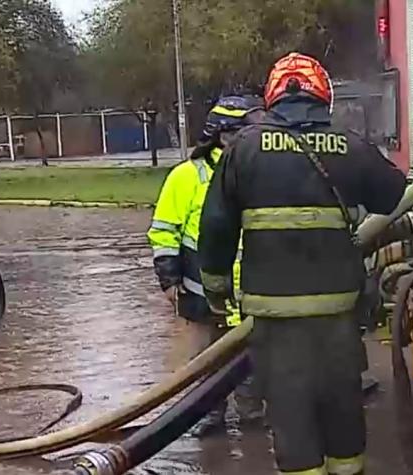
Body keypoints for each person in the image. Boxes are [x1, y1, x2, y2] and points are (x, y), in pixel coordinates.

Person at [198, 53, 407, 474]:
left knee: (291, 412)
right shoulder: (348, 143)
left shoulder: (244, 150)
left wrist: (217, 292)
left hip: (275, 316)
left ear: (273, 97)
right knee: (342, 405)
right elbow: (390, 195)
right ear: (324, 96)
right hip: (338, 313)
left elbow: (216, 229)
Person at [148, 94, 265, 436]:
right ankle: (208, 417)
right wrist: (169, 282)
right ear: (225, 135)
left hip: (251, 291)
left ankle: (252, 415)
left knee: (251, 359)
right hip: (200, 292)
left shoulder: (255, 173)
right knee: (204, 360)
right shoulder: (186, 177)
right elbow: (164, 232)